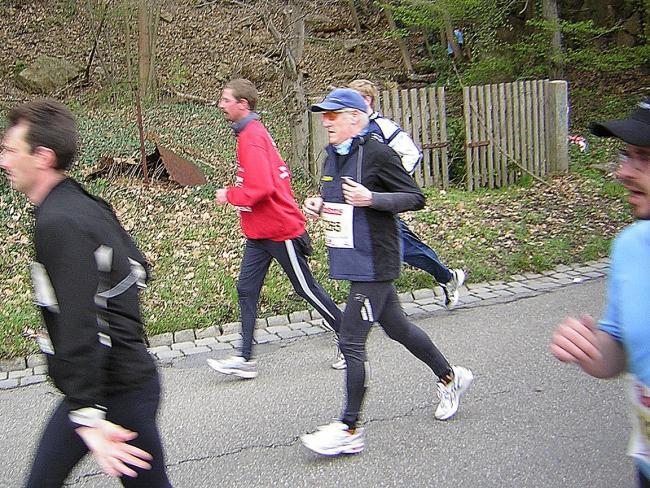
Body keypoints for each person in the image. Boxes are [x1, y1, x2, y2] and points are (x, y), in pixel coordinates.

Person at [0, 100, 172, 487]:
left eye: (10, 150)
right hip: (114, 382)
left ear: (42, 157)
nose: (3, 161)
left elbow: (80, 322)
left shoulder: (58, 222)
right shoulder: (82, 203)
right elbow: (139, 267)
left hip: (116, 391)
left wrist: (89, 414)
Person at [300, 88, 474, 456]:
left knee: (350, 340)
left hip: (376, 262)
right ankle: (450, 377)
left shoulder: (378, 152)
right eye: (324, 116)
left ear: (355, 117)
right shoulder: (331, 154)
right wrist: (319, 204)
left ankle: (349, 429)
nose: (326, 121)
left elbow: (415, 197)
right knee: (398, 327)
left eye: (333, 115)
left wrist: (373, 199)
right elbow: (333, 196)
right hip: (352, 258)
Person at [206, 78, 343, 379]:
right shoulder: (251, 133)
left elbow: (262, 187)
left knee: (305, 288)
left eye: (226, 100)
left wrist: (228, 194)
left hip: (280, 229)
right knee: (246, 289)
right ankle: (245, 358)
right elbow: (274, 176)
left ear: (243, 105)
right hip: (259, 232)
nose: (221, 105)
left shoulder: (252, 137)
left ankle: (349, 338)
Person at [550, 98, 650, 487]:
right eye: (626, 155)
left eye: (643, 157)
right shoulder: (630, 247)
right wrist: (593, 350)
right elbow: (623, 349)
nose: (624, 171)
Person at [348, 79, 465, 309]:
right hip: (361, 204)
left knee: (404, 248)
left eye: (354, 99)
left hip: (381, 202)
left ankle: (446, 278)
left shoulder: (383, 127)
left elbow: (412, 153)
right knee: (382, 247)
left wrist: (390, 184)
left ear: (367, 100)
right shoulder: (354, 128)